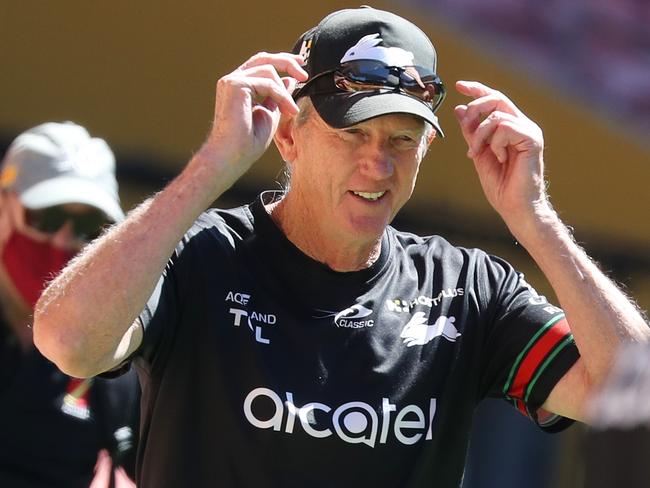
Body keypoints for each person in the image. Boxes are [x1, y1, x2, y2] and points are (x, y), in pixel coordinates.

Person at [32, 7, 649, 488]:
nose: (377, 163)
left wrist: (536, 218)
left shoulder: (466, 290)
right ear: (289, 136)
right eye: (352, 132)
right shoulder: (201, 254)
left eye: (401, 139)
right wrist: (208, 170)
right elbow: (69, 342)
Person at [0, 122, 139, 488]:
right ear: (4, 208)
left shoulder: (116, 361)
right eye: (48, 216)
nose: (63, 239)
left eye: (88, 225)